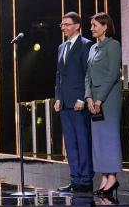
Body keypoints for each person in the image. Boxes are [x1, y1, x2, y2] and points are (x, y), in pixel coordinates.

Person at [54, 12, 94, 193]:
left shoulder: (86, 45)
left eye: (67, 24)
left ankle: (85, 180)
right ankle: (75, 179)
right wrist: (58, 97)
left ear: (77, 26)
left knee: (82, 142)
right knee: (70, 143)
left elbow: (88, 74)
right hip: (64, 103)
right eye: (62, 25)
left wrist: (82, 98)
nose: (64, 27)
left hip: (79, 102)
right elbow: (59, 75)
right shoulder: (61, 47)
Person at [85, 12, 122, 199]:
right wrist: (88, 97)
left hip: (109, 99)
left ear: (105, 27)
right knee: (98, 140)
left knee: (109, 138)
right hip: (94, 100)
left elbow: (113, 74)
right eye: (91, 25)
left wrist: (99, 99)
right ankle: (104, 177)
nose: (91, 28)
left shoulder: (113, 45)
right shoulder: (93, 48)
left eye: (95, 25)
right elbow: (87, 75)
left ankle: (112, 178)